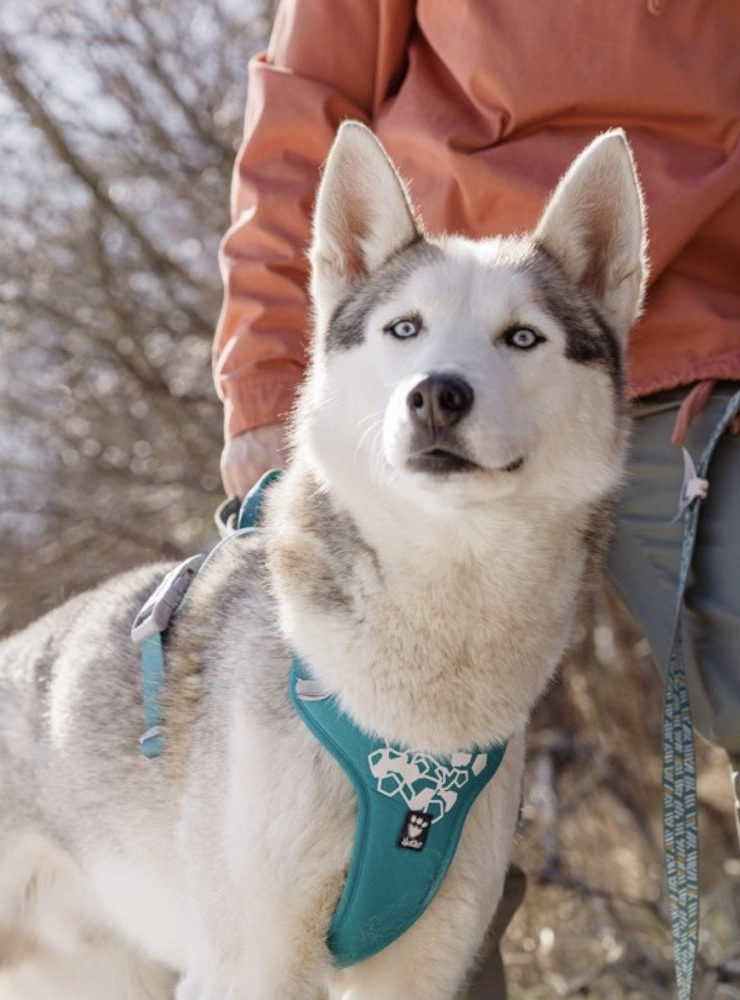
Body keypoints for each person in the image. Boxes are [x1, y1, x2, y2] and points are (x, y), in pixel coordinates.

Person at [212, 2, 740, 997]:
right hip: (445, 319)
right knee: (394, 745)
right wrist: (264, 375)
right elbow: (307, 100)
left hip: (712, 351)